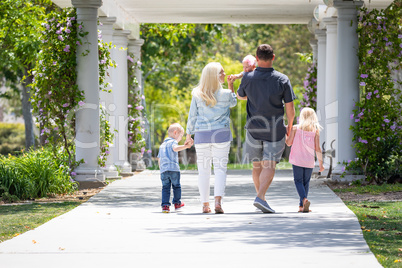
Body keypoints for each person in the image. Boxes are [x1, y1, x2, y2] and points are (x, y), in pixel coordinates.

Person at [235, 44, 296, 213]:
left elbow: (240, 96)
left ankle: (260, 198)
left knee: (257, 166)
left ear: (257, 58)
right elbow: (290, 109)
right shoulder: (282, 79)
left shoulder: (247, 78)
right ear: (273, 57)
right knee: (269, 164)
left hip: (253, 129)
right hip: (275, 130)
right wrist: (289, 129)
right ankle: (260, 197)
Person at [186, 62, 237, 214]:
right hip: (221, 135)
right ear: (214, 76)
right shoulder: (227, 94)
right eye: (221, 72)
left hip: (202, 135)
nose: (224, 73)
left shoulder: (197, 93)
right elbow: (233, 102)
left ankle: (205, 205)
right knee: (220, 169)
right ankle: (218, 202)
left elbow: (192, 115)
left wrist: (189, 134)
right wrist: (231, 85)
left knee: (203, 171)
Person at [286, 107, 325, 213]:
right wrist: (321, 164)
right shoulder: (315, 131)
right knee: (306, 183)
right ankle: (301, 207)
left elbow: (288, 143)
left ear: (301, 117)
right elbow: (318, 148)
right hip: (309, 161)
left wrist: (286, 135)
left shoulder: (295, 128)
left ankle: (304, 199)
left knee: (298, 181)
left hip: (297, 160)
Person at [157, 123, 192, 213]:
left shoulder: (162, 145)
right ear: (175, 133)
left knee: (165, 188)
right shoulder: (173, 142)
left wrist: (161, 169)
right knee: (176, 186)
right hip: (173, 169)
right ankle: (177, 203)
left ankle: (165, 206)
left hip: (164, 171)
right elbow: (175, 148)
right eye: (181, 136)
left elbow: (159, 158)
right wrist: (185, 146)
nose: (181, 138)